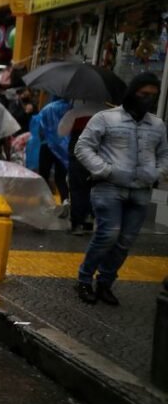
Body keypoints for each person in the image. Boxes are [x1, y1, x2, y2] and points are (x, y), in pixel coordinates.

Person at [74, 73, 168, 305]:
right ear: (133, 93)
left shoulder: (157, 125)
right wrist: (104, 170)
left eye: (153, 96)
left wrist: (157, 173)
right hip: (109, 187)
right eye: (143, 94)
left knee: (125, 241)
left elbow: (164, 154)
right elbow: (83, 147)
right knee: (108, 234)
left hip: (141, 190)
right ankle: (84, 279)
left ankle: (105, 283)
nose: (148, 100)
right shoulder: (106, 118)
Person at [59, 100, 106, 234]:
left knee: (77, 188)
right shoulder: (109, 114)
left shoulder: (75, 113)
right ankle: (90, 219)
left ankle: (78, 224)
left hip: (79, 155)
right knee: (96, 187)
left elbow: (61, 132)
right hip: (100, 155)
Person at [36, 97, 72, 209]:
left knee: (44, 174)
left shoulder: (47, 108)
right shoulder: (69, 109)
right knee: (61, 176)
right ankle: (65, 200)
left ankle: (45, 201)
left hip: (46, 145)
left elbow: (40, 128)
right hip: (63, 147)